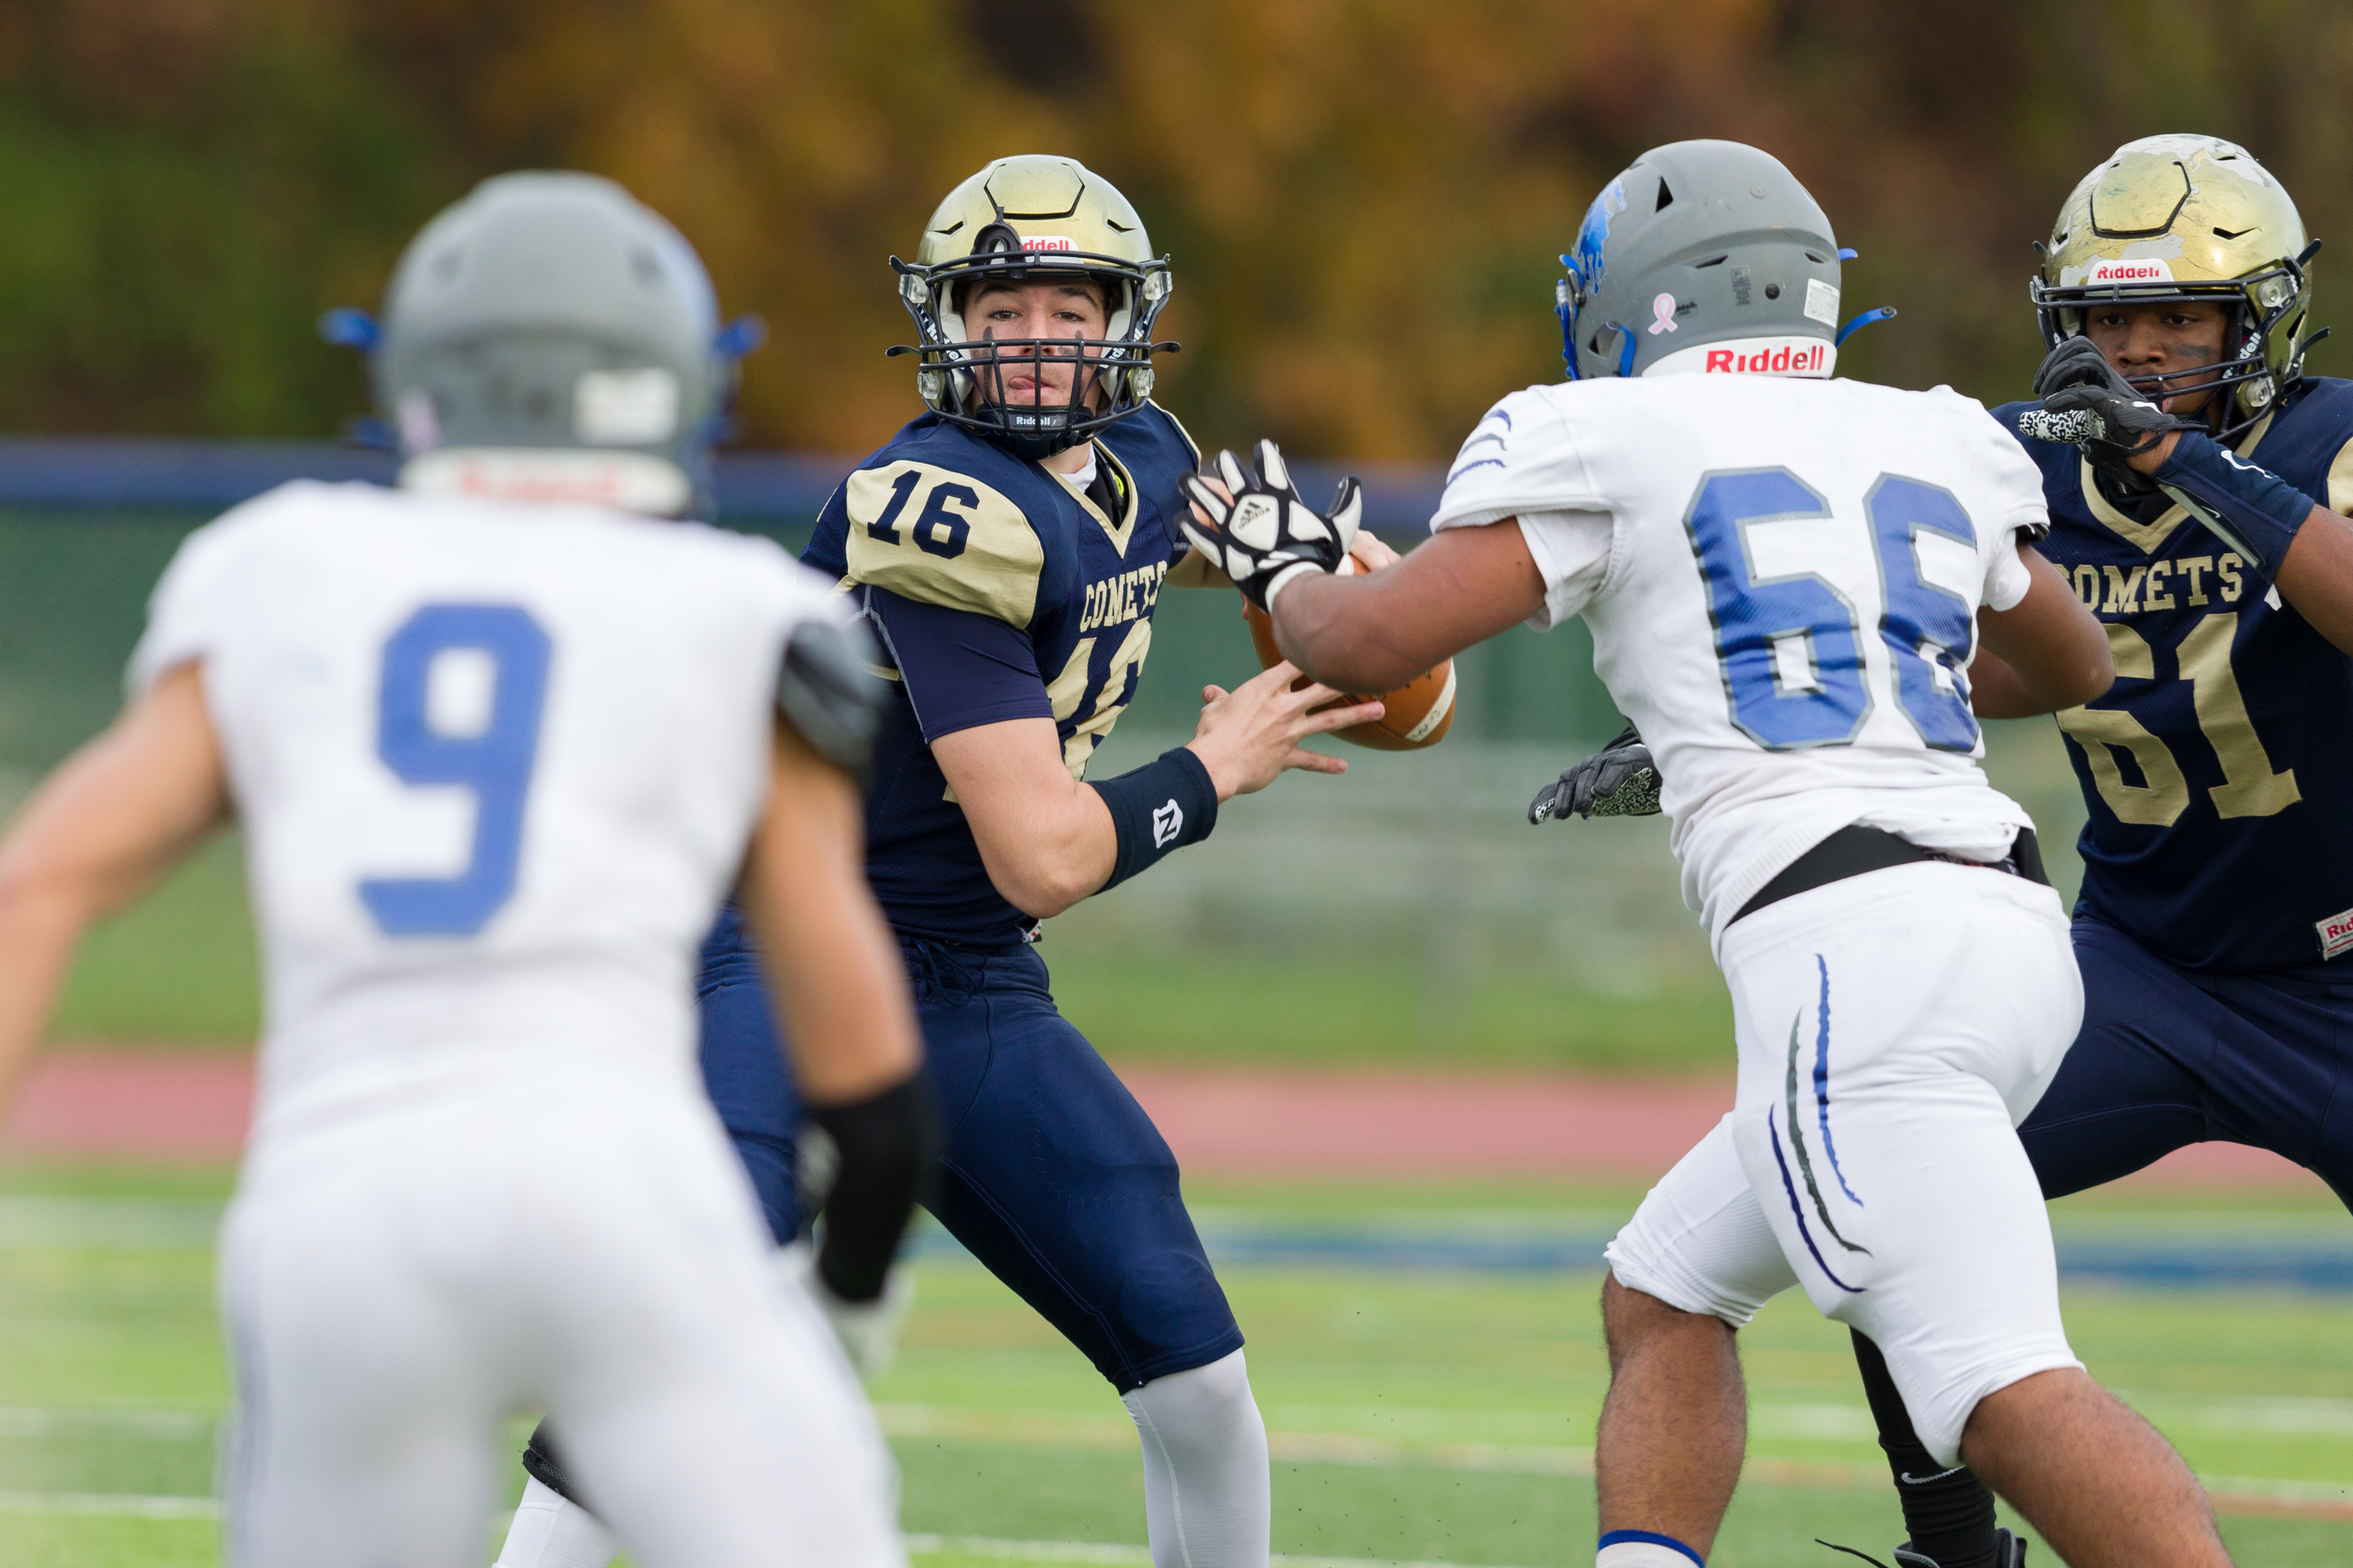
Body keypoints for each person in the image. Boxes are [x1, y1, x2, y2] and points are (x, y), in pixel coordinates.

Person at [1181, 140, 2237, 1568]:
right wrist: (1755, 689)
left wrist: (1275, 558)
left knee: (1995, 1381)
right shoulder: (1929, 427)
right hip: (2007, 931)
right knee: (1664, 1286)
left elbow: (1365, 645)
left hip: (1850, 955)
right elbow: (2072, 658)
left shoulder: (1606, 427)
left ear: (1639, 296)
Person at [0, 171, 934, 1568]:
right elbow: (864, 1073)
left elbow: (41, 879)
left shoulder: (284, 565)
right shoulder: (742, 609)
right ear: (678, 383)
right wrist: (851, 1294)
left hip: (340, 1217)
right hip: (620, 1191)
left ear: (417, 380)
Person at [496, 154, 1377, 1568]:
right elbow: (1041, 851)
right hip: (791, 944)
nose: (1036, 337)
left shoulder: (1148, 458)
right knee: (690, 1312)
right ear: (947, 324)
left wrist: (1330, 581)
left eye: (1067, 303)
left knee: (1198, 1372)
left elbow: (1270, 584)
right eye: (1001, 304)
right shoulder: (933, 505)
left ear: (1126, 320)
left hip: (968, 979)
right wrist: (1211, 772)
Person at [1783, 133, 2353, 1568]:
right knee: (1894, 1191)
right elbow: (1954, 653)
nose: (2143, 352)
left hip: (2347, 972)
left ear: (2260, 321)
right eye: (2112, 320)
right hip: (2142, 968)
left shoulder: (2325, 440)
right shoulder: (2017, 465)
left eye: (2180, 319)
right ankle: (1957, 1551)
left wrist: (2191, 464)